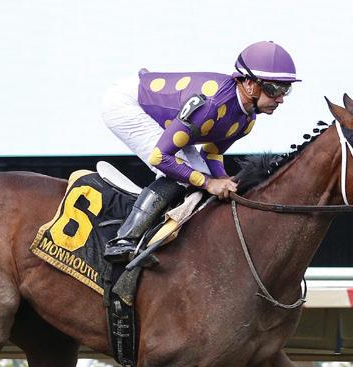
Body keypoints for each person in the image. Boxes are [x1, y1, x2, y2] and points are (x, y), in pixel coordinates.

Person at [102, 40, 300, 262]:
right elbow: (160, 157)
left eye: (286, 90)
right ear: (249, 84)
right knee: (183, 173)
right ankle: (124, 240)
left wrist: (223, 178)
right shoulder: (211, 105)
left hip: (162, 115)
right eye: (274, 89)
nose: (280, 99)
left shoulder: (247, 119)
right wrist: (208, 183)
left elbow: (211, 153)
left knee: (198, 174)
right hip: (126, 104)